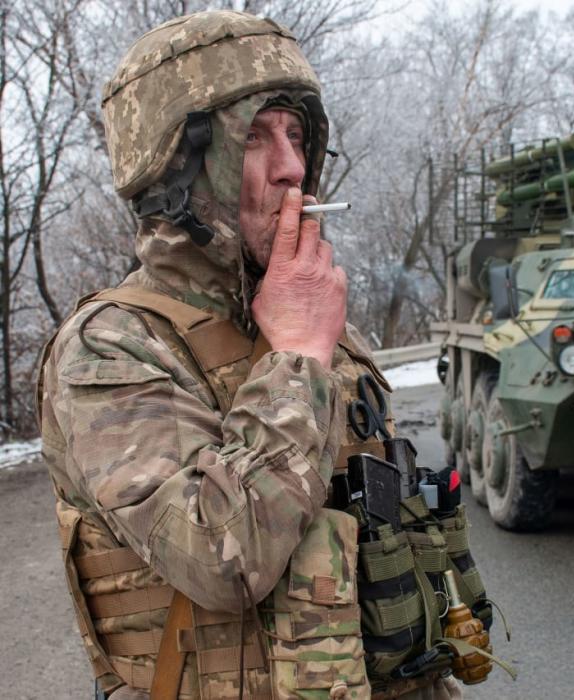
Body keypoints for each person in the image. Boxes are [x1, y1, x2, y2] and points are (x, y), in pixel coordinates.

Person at [38, 10, 462, 700]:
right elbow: (220, 559)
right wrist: (296, 356)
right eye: (257, 137)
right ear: (180, 165)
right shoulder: (110, 347)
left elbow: (391, 538)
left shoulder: (318, 319)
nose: (293, 167)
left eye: (297, 135)